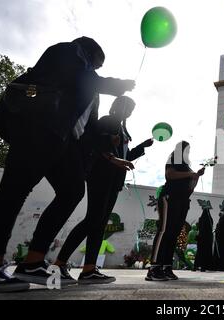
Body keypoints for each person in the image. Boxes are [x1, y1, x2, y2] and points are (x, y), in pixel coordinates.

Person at [0, 37, 135, 293]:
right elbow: (82, 78)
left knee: (72, 191)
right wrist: (117, 85)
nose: (97, 69)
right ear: (88, 52)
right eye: (97, 63)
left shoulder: (90, 88)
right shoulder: (66, 52)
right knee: (15, 188)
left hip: (63, 141)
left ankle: (33, 262)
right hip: (38, 125)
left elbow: (87, 128)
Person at [54, 96, 153, 284]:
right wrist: (109, 142)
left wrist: (142, 146)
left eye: (133, 109)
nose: (130, 112)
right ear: (119, 106)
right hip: (101, 176)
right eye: (129, 108)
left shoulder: (123, 128)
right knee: (92, 219)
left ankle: (89, 269)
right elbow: (95, 143)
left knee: (99, 223)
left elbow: (125, 155)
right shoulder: (107, 121)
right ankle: (59, 264)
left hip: (114, 181)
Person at [146, 141, 205, 281]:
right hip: (169, 198)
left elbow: (190, 187)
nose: (188, 152)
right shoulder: (173, 158)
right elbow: (170, 175)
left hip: (183, 201)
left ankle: (166, 267)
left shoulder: (187, 166)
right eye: (186, 149)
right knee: (164, 231)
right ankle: (154, 268)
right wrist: (189, 174)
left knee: (174, 234)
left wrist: (196, 176)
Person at [194, 203, 214, 272]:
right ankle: (204, 267)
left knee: (199, 253)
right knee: (206, 253)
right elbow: (211, 229)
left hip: (201, 239)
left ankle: (195, 266)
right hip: (207, 239)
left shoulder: (201, 218)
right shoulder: (210, 219)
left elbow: (199, 228)